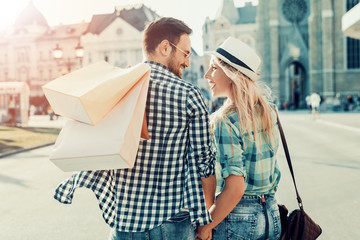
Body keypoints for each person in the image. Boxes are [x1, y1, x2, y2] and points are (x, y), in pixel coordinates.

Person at [54, 17, 216, 240]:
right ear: (165, 47)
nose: (187, 63)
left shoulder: (118, 88)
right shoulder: (188, 94)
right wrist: (205, 219)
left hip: (124, 220)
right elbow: (203, 162)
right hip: (170, 221)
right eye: (186, 54)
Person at [196, 37, 282, 240]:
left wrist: (205, 228)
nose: (207, 75)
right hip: (271, 214)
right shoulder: (270, 110)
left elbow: (235, 188)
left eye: (214, 68)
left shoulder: (224, 120)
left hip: (239, 219)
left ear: (232, 74)